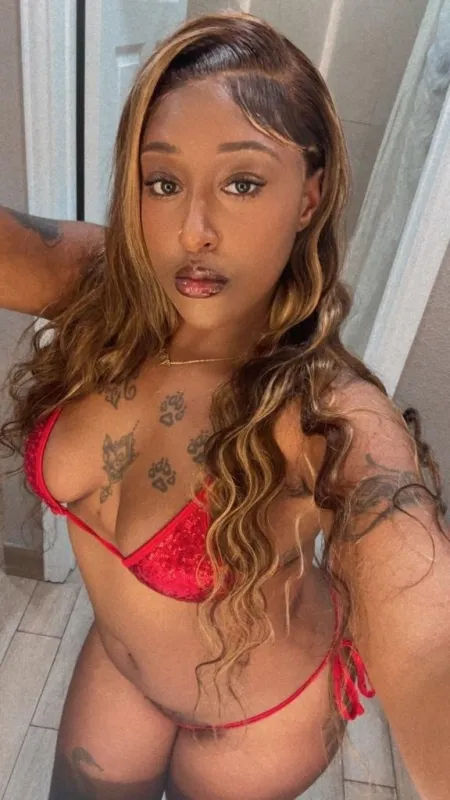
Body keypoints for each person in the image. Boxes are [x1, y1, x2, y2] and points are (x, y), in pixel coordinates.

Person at [1, 10, 449, 800]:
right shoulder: (101, 289)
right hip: (122, 665)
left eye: (243, 183)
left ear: (309, 195)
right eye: (163, 183)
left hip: (257, 720)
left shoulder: (333, 415)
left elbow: (427, 648)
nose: (194, 231)